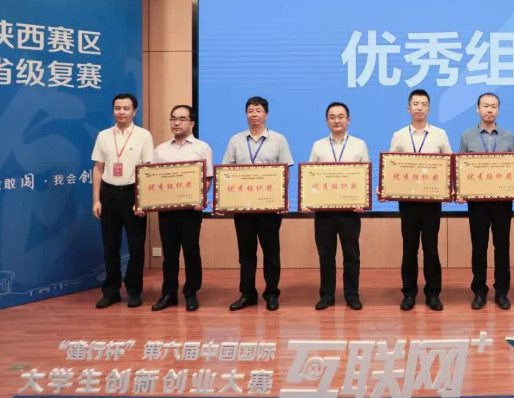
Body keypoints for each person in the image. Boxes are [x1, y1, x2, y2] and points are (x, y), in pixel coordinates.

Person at [223, 96, 294, 311]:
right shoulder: (236, 140)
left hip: (269, 208)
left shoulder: (279, 140)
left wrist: (281, 198)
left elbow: (285, 172)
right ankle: (248, 294)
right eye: (250, 111)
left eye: (258, 110)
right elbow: (227, 171)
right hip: (243, 208)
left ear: (266, 114)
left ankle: (271, 293)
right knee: (246, 254)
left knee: (271, 253)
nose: (254, 114)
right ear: (246, 114)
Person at [387, 89, 452, 311]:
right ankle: (409, 293)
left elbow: (449, 164)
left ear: (429, 109)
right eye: (415, 104)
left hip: (432, 202)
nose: (419, 108)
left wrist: (450, 189)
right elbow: (391, 166)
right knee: (410, 248)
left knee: (431, 248)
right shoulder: (399, 136)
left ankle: (433, 294)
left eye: (424, 104)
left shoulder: (440, 135)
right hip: (408, 202)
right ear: (408, 108)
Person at [147, 105, 213, 312]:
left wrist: (200, 197)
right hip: (167, 210)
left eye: (182, 119)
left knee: (191, 251)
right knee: (169, 253)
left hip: (190, 210)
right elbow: (151, 178)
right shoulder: (160, 150)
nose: (176, 123)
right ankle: (169, 293)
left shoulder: (202, 148)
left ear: (191, 123)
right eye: (173, 118)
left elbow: (207, 179)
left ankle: (191, 292)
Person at [91, 93, 154, 309]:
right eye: (117, 108)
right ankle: (111, 291)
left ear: (134, 111)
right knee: (110, 245)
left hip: (133, 194)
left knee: (136, 246)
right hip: (109, 194)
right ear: (113, 111)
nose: (121, 112)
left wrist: (143, 201)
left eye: (126, 108)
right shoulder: (104, 135)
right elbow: (98, 168)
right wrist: (96, 199)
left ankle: (134, 290)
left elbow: (148, 170)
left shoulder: (144, 136)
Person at [305, 102, 369, 311]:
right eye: (332, 117)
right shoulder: (318, 146)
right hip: (324, 212)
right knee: (326, 255)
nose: (337, 120)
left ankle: (352, 295)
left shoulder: (359, 145)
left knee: (351, 255)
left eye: (341, 116)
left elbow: (365, 177)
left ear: (348, 120)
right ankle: (327, 295)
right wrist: (308, 201)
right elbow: (310, 176)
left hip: (350, 212)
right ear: (327, 121)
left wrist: (363, 200)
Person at [458, 93, 514, 310]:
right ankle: (479, 291)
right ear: (478, 109)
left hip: (502, 202)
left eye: (493, 106)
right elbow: (461, 167)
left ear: (498, 110)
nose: (489, 110)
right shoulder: (467, 136)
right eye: (485, 106)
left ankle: (502, 292)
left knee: (502, 246)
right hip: (477, 203)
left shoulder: (508, 136)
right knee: (479, 246)